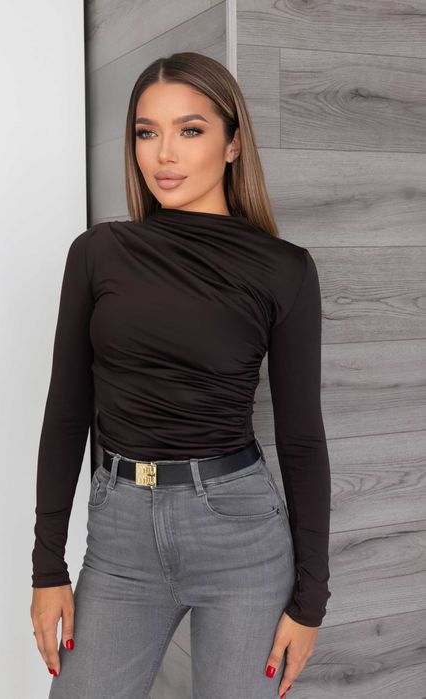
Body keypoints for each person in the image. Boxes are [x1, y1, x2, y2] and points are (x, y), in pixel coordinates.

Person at [30, 51, 332, 699]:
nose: (164, 153)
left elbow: (303, 440)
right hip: (120, 536)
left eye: (190, 130)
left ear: (232, 144)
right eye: (147, 132)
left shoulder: (284, 270)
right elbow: (66, 414)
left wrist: (311, 601)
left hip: (240, 535)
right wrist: (46, 566)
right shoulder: (98, 253)